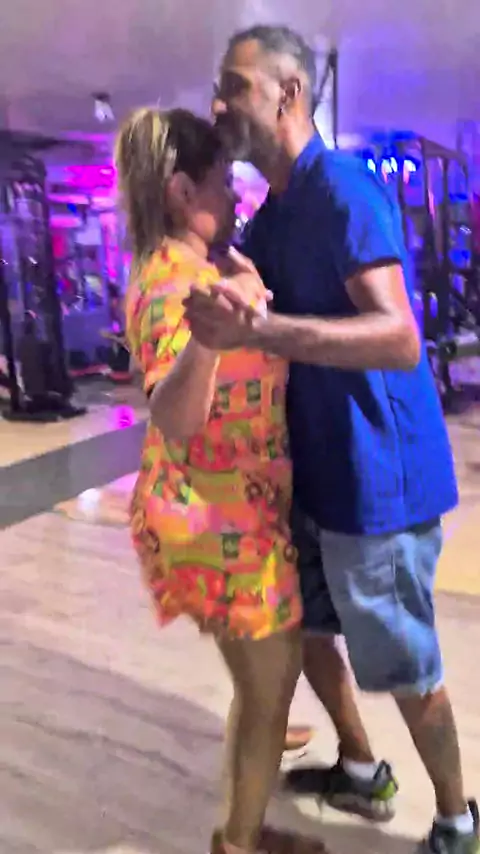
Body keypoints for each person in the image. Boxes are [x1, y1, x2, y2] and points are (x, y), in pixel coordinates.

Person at [183, 24, 479, 854]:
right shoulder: (274, 216)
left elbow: (399, 337)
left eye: (234, 86)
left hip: (378, 482)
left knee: (407, 667)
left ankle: (458, 822)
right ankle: (360, 768)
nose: (219, 104)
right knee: (307, 633)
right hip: (310, 478)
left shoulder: (343, 187)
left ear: (289, 93)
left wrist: (266, 329)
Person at [115, 106, 325, 854]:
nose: (235, 196)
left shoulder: (194, 269)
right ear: (181, 193)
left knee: (262, 685)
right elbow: (175, 414)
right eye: (221, 183)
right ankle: (240, 843)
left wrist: (245, 286)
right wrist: (207, 340)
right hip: (220, 527)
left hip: (224, 515)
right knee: (271, 689)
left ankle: (240, 829)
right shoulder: (174, 285)